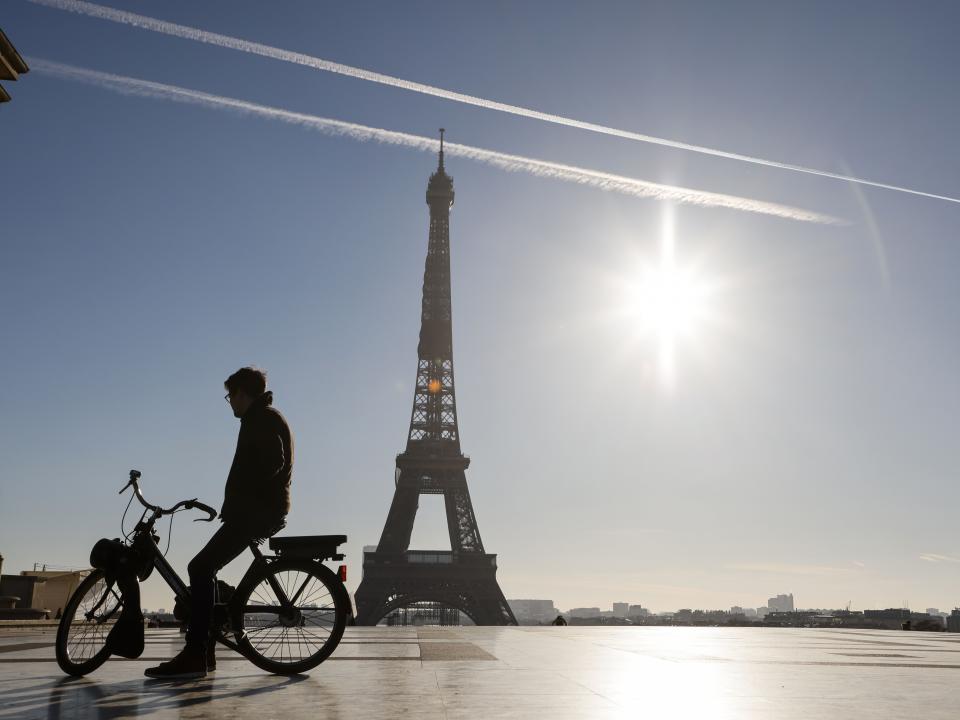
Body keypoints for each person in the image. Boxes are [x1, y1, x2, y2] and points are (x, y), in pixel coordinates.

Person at [145, 367, 294, 679]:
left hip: (256, 512)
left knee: (200, 568)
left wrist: (245, 496)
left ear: (242, 392)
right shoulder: (262, 417)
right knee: (205, 569)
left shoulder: (262, 419)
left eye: (230, 396)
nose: (229, 403)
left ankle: (195, 652)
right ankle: (205, 651)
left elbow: (273, 461)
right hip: (257, 510)